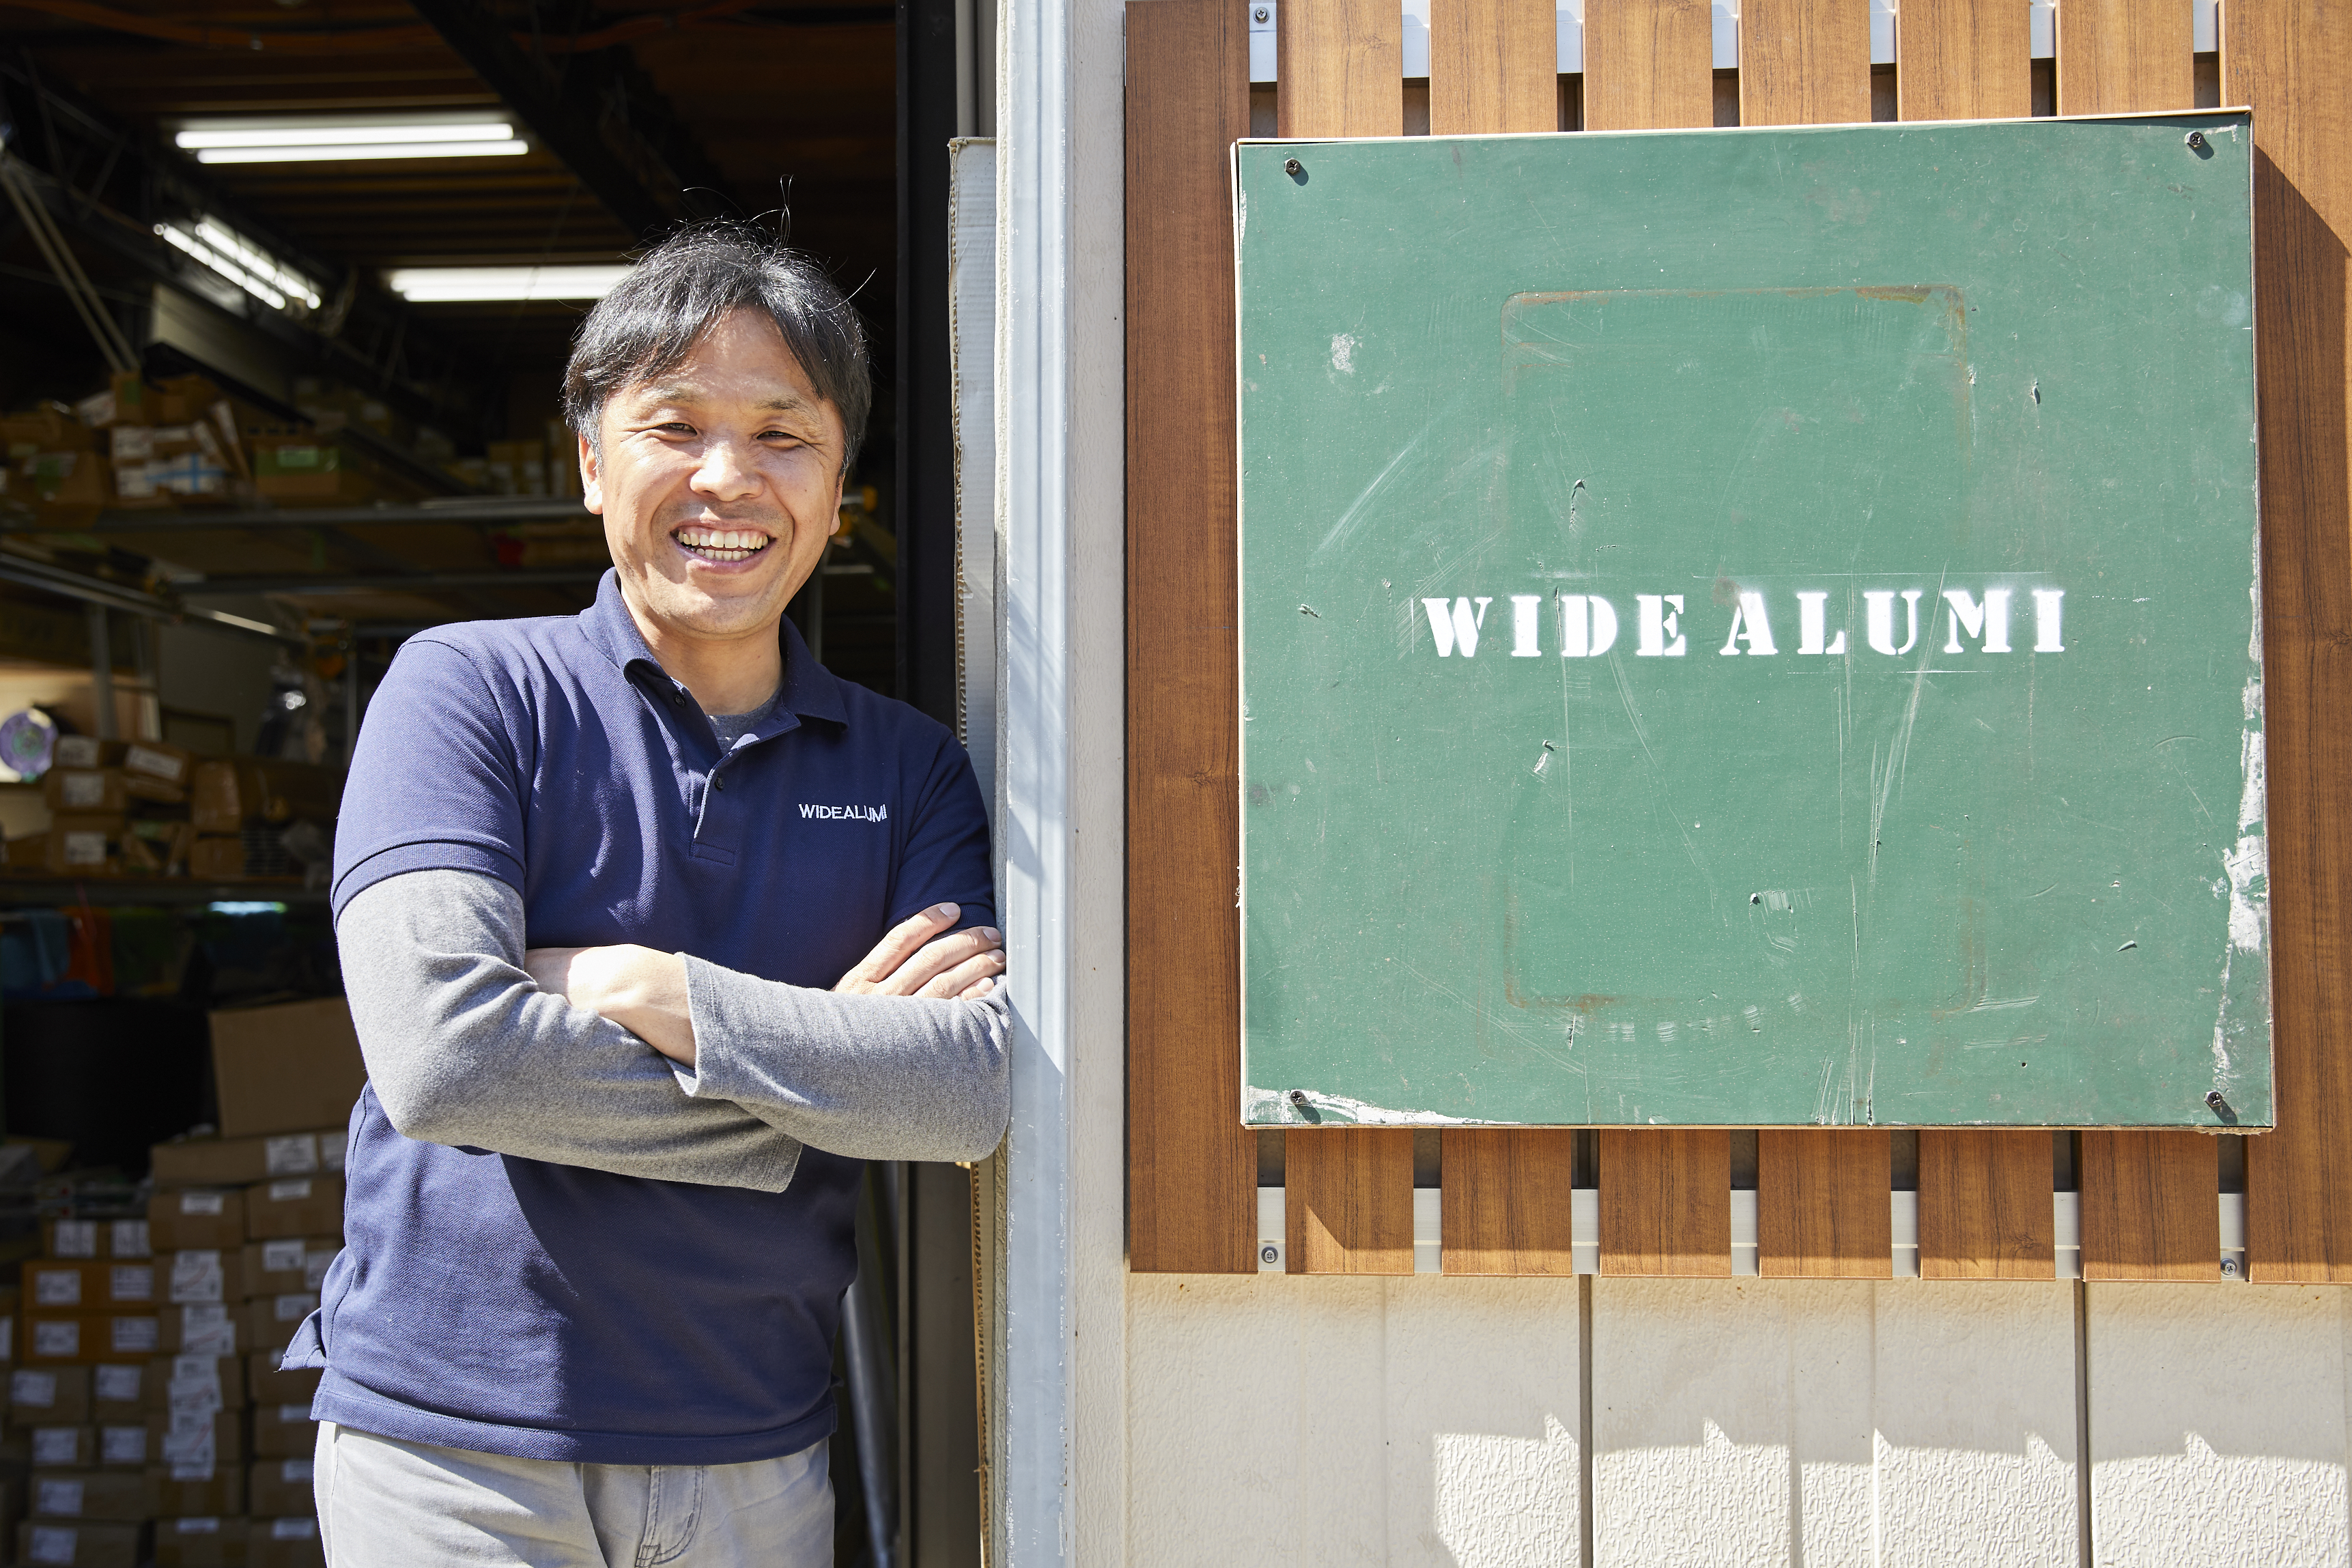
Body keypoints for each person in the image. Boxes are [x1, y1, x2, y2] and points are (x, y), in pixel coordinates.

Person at [293, 221, 1009, 1567]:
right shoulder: (468, 691)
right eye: (672, 426)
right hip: (452, 1455)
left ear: (840, 481)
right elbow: (445, 1063)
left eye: (781, 436)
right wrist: (816, 1101)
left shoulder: (909, 770)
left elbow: (964, 1090)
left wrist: (649, 990)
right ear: (588, 462)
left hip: (756, 1456)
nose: (726, 480)